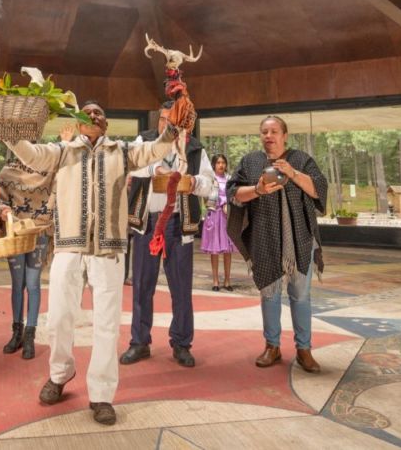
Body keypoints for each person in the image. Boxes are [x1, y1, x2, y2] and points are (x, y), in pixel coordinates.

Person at [5, 100, 181, 427]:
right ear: (77, 121)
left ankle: (101, 395)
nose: (94, 114)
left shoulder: (122, 151)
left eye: (100, 112)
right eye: (87, 111)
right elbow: (31, 155)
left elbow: (156, 150)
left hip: (109, 251)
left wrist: (172, 129)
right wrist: (9, 133)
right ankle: (60, 374)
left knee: (107, 325)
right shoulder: (62, 151)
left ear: (106, 124)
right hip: (68, 248)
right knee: (58, 318)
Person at [227, 116, 328, 373]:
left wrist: (293, 173)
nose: (268, 136)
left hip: (300, 239)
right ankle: (272, 346)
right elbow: (233, 193)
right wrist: (258, 189)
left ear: (285, 136)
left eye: (274, 131)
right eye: (264, 132)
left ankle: (304, 349)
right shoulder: (251, 162)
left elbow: (319, 190)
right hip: (264, 237)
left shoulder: (301, 159)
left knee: (301, 295)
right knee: (269, 294)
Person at [121, 102, 217, 368]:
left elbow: (210, 184)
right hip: (148, 224)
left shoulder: (194, 148)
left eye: (173, 120)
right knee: (142, 285)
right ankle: (139, 342)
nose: (168, 125)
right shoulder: (144, 141)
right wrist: (155, 170)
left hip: (178, 223)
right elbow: (131, 165)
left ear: (183, 123)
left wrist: (193, 182)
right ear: (158, 121)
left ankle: (182, 343)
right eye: (164, 119)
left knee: (181, 288)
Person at [0, 126, 71, 361]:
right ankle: (16, 332)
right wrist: (2, 209)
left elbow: (64, 175)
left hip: (39, 232)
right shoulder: (7, 171)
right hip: (15, 234)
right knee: (18, 284)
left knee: (33, 284)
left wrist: (65, 143)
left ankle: (29, 336)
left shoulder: (48, 169)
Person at [201, 154, 238, 291]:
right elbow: (204, 197)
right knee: (214, 250)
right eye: (218, 163)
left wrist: (229, 204)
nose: (221, 165)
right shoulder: (210, 180)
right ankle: (215, 281)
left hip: (227, 216)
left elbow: (234, 195)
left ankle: (227, 281)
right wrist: (220, 203)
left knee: (227, 250)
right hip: (214, 215)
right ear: (214, 165)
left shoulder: (230, 179)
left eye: (223, 162)